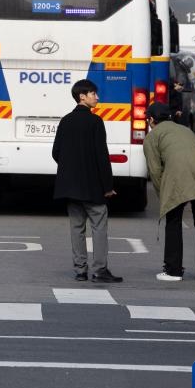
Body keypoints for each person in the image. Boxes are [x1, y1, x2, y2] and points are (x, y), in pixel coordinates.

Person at [51, 79, 122, 283]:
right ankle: (100, 270)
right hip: (92, 187)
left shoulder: (65, 121)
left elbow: (56, 152)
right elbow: (102, 156)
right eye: (93, 93)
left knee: (76, 228)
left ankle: (80, 270)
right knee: (99, 226)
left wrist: (70, 169)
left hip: (70, 186)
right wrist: (107, 186)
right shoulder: (95, 122)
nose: (97, 97)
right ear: (82, 96)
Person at [143, 102, 195, 281]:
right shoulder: (185, 130)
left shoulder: (152, 138)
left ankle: (173, 270)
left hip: (179, 173)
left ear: (151, 119)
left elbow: (155, 171)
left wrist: (164, 196)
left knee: (173, 219)